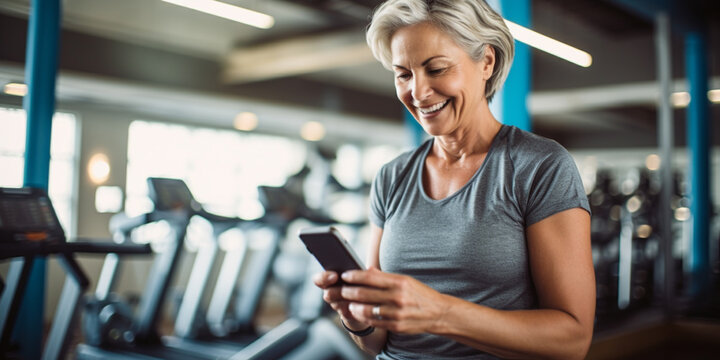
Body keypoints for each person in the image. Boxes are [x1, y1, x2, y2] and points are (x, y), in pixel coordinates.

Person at [313, 0, 595, 358]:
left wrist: (440, 313)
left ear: (486, 63)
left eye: (437, 69)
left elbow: (572, 341)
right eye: (404, 74)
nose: (418, 91)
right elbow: (375, 342)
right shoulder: (392, 177)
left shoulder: (538, 166)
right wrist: (357, 317)